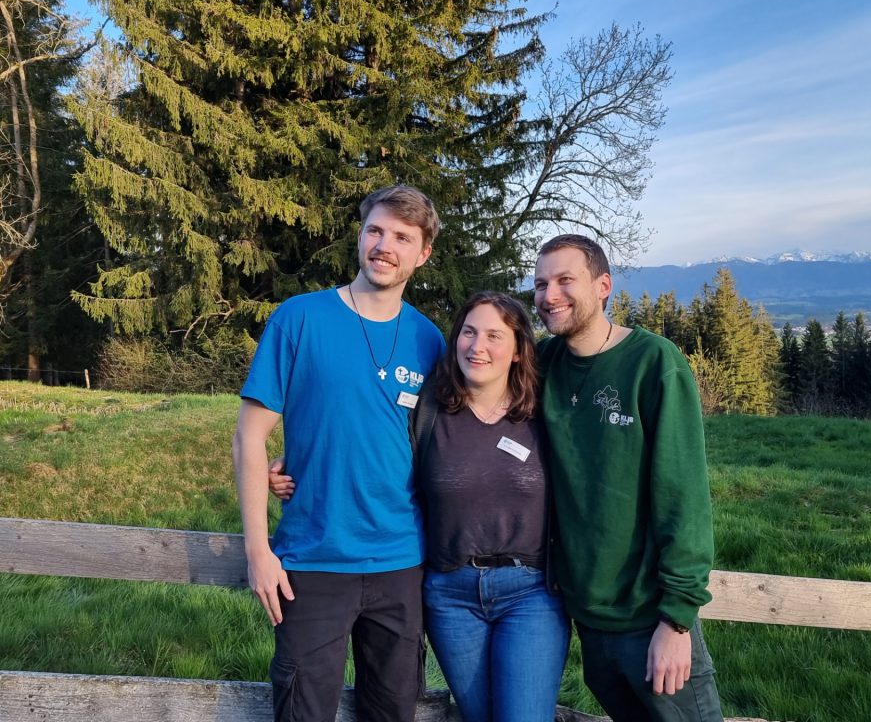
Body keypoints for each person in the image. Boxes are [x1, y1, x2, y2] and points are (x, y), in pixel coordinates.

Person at [270, 291, 570, 722]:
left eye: (493, 335)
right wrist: (291, 464)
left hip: (529, 592)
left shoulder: (545, 413)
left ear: (520, 350)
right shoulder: (430, 408)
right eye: (468, 332)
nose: (477, 346)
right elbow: (372, 443)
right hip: (451, 593)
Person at [232, 185, 445, 722]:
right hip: (312, 559)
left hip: (402, 563)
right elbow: (250, 437)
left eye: (402, 236)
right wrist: (259, 552)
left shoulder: (431, 341)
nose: (384, 245)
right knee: (302, 710)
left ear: (422, 254)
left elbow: (439, 449)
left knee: (393, 712)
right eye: (376, 230)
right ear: (360, 234)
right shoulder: (299, 319)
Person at [532, 234, 725, 722]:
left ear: (603, 286)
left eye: (564, 280)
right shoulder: (544, 365)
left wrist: (677, 622)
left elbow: (683, 494)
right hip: (587, 619)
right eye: (539, 284)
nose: (549, 295)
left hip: (650, 617)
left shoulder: (653, 363)